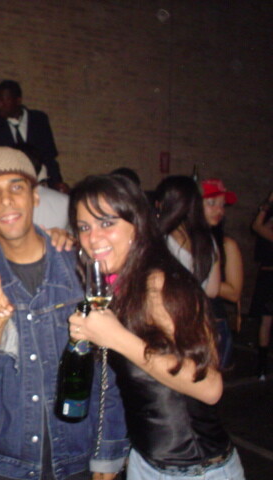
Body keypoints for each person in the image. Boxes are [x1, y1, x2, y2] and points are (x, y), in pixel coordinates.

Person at [0, 147, 128, 480]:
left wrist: (109, 451)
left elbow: (108, 369)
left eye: (16, 187)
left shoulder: (79, 266)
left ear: (35, 196)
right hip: (4, 461)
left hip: (77, 454)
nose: (6, 200)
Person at [68, 174, 245, 480]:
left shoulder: (159, 284)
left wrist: (117, 338)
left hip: (197, 471)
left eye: (107, 223)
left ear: (136, 225)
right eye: (84, 227)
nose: (93, 238)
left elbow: (210, 387)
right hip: (145, 461)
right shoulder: (120, 285)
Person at [0, 80, 65, 191]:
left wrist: (57, 183)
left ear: (18, 100)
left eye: (4, 100)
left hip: (41, 186)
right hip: (9, 188)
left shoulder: (39, 120)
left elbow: (49, 157)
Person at [154, 175, 220, 298]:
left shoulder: (160, 239)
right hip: (198, 307)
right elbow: (213, 290)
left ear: (164, 204)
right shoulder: (208, 239)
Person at [201, 179, 243, 369]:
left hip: (213, 326)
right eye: (212, 203)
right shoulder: (182, 241)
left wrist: (198, 277)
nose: (219, 210)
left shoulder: (226, 245)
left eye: (222, 205)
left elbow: (234, 292)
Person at [250, 191, 273, 379]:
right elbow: (260, 225)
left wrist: (269, 202)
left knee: (266, 322)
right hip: (267, 277)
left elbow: (257, 226)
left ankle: (262, 366)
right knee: (266, 321)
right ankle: (262, 366)